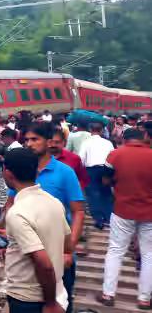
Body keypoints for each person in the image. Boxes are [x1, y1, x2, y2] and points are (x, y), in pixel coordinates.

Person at [15, 122, 86, 313]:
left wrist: (69, 249)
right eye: (26, 140)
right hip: (30, 252)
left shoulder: (65, 173)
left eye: (34, 139)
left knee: (61, 302)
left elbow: (78, 211)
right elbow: (12, 205)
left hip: (57, 250)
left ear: (48, 142)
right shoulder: (22, 171)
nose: (29, 144)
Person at [1, 147, 72, 313]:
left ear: (8, 173)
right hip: (57, 289)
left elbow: (44, 264)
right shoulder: (54, 202)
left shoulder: (17, 212)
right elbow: (67, 247)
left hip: (28, 299)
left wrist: (50, 303)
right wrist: (14, 243)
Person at [98, 128, 152, 309]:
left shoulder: (115, 155)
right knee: (149, 255)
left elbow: (105, 180)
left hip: (122, 210)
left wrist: (117, 183)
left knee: (115, 251)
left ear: (123, 139)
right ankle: (144, 299)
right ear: (144, 137)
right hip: (149, 213)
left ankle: (108, 294)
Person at [78, 122, 115, 229]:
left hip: (91, 170)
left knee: (93, 194)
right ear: (102, 130)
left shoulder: (86, 142)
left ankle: (98, 220)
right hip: (105, 169)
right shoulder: (108, 143)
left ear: (90, 130)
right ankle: (108, 217)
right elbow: (112, 155)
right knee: (106, 193)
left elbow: (81, 158)